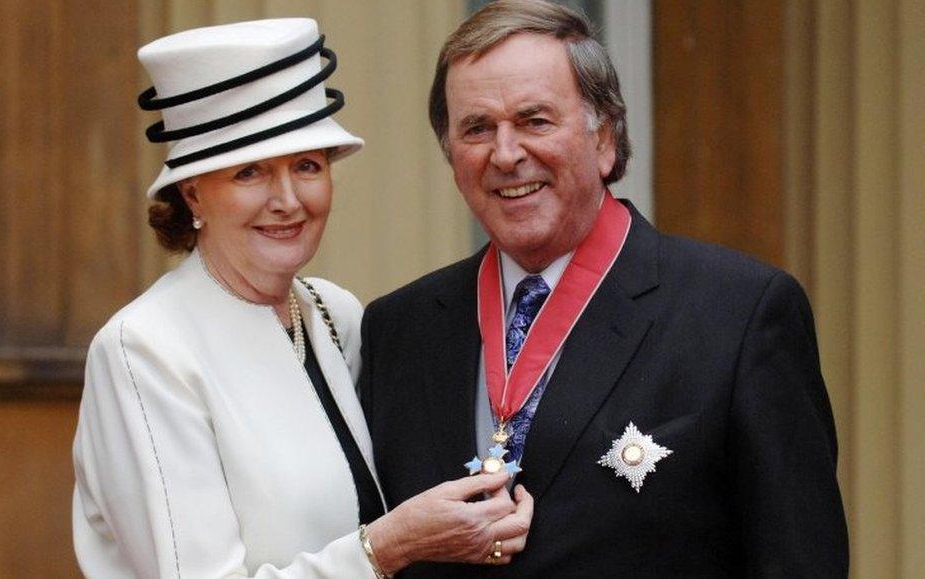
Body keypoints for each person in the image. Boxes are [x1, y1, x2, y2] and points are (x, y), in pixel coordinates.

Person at [358, 1, 848, 577]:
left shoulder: (739, 314)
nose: (506, 153)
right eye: (477, 128)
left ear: (605, 139)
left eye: (535, 120)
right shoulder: (400, 328)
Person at [71, 19, 533, 578]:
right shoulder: (144, 350)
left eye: (307, 167)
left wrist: (484, 519)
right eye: (250, 173)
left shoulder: (331, 312)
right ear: (192, 192)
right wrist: (386, 548)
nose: (288, 200)